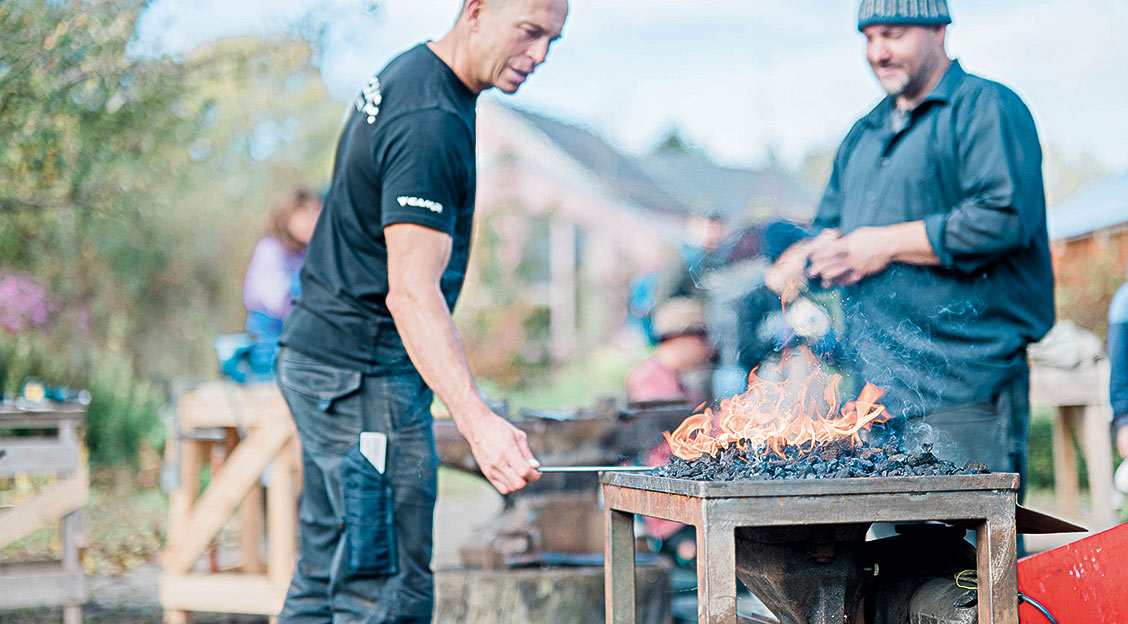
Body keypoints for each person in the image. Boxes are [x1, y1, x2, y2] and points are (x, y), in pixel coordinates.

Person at [273, 0, 568, 621]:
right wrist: (479, 423)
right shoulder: (430, 118)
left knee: (327, 576)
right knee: (382, 590)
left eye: (552, 40)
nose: (539, 55)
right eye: (529, 32)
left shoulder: (411, 74)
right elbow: (410, 290)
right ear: (478, 11)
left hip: (326, 361)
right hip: (362, 378)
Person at [770, 0, 1054, 495]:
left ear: (939, 31)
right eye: (869, 37)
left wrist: (881, 245)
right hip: (874, 394)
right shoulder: (862, 135)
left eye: (893, 34)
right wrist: (810, 259)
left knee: (963, 565)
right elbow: (830, 234)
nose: (877, 51)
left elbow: (1004, 218)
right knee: (882, 562)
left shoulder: (987, 108)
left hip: (964, 390)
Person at [240, 187, 322, 378]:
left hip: (300, 341)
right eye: (305, 215)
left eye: (317, 214)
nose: (313, 222)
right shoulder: (270, 250)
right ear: (287, 217)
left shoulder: (307, 253)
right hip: (271, 344)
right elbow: (279, 303)